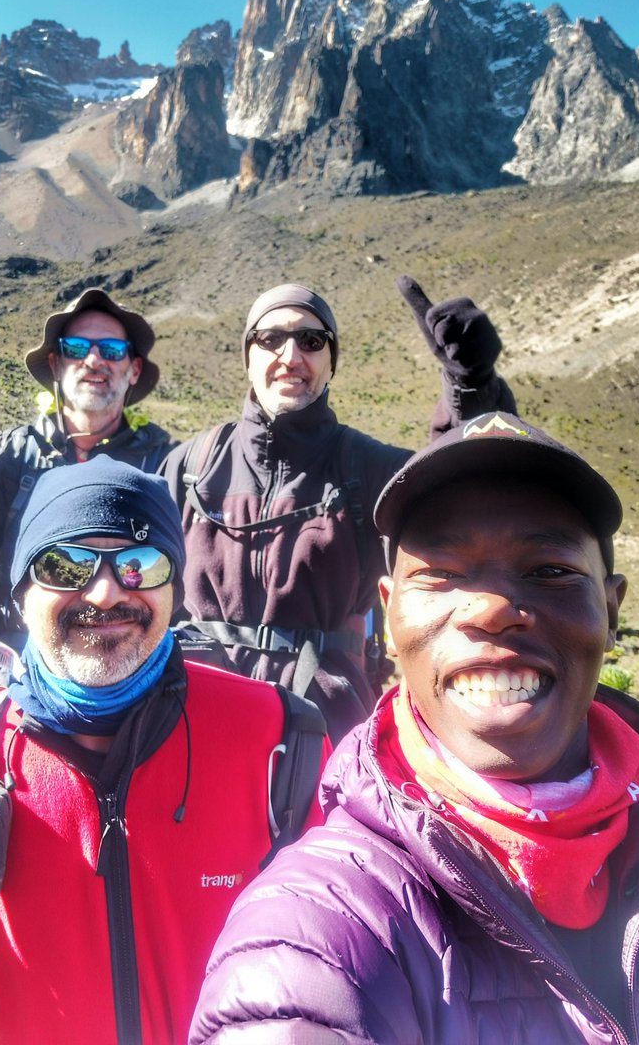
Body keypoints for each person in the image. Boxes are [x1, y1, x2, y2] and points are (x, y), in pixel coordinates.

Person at [190, 411, 639, 1044]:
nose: (493, 610)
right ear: (388, 618)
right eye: (443, 574)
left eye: (549, 571)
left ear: (611, 610)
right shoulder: (324, 925)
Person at [0, 457, 326, 1044]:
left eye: (140, 563)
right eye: (64, 563)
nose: (104, 590)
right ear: (21, 590)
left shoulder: (281, 739)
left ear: (176, 587)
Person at [164, 277, 517, 742]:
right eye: (270, 339)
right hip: (191, 716)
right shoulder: (192, 465)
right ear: (247, 357)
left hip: (323, 727)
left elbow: (462, 494)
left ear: (331, 363)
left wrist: (471, 388)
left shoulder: (368, 468)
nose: (290, 357)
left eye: (311, 341)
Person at [0, 287, 172, 612]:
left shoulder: (162, 462)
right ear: (56, 364)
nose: (93, 360)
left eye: (112, 349)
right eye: (76, 348)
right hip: (18, 649)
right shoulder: (9, 454)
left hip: (126, 648)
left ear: (134, 369)